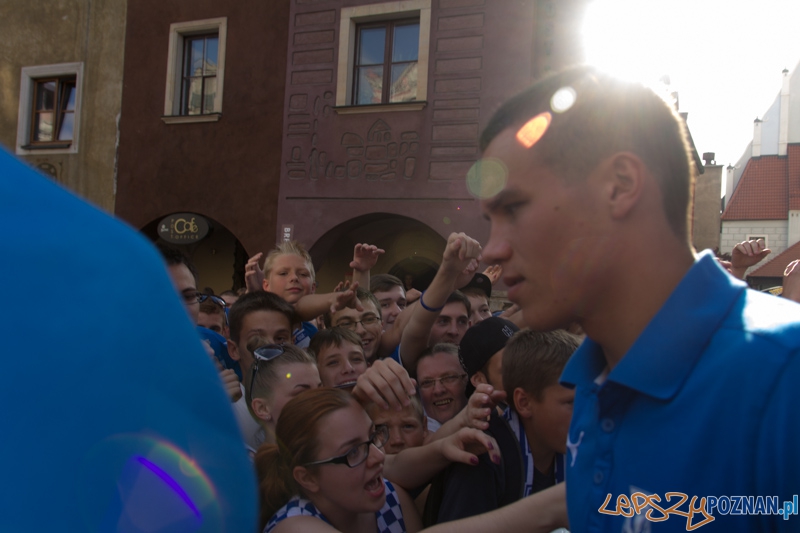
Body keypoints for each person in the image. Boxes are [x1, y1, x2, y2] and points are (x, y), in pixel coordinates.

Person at [465, 65, 800, 532]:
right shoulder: (592, 382)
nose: (492, 250)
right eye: (488, 220)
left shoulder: (785, 379)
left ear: (620, 185)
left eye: (513, 208)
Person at [1, 147, 256, 530]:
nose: (180, 308)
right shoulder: (107, 370)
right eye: (166, 297)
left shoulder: (217, 347)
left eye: (188, 296)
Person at [502, 329, 579, 496]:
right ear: (524, 403)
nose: (586, 414)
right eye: (572, 402)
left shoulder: (584, 455)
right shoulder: (488, 458)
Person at [247, 340, 321, 450]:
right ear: (262, 408)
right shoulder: (248, 466)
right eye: (302, 394)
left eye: (320, 391)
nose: (319, 402)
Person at [415, 344, 469, 432]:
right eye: (427, 382)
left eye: (449, 378)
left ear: (468, 379)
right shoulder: (414, 437)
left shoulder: (493, 420)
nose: (438, 390)